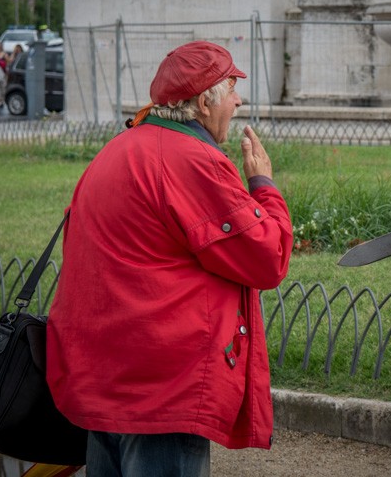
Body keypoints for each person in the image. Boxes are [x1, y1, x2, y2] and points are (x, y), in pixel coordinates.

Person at [46, 41, 294, 476]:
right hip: (161, 389)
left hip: (106, 375)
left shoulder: (119, 148)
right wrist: (264, 185)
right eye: (232, 88)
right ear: (203, 102)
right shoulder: (193, 161)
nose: (239, 100)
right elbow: (266, 258)